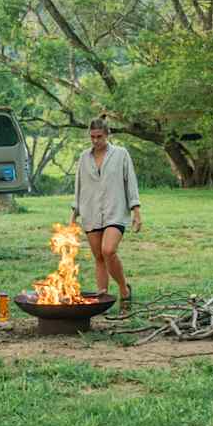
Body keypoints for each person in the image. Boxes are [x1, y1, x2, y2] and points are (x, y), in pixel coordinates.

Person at [70, 117, 142, 304]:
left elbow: (130, 182)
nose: (95, 140)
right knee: (99, 257)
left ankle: (124, 289)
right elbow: (79, 186)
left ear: (107, 135)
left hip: (115, 211)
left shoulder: (121, 154)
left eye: (99, 136)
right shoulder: (84, 157)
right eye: (92, 137)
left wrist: (136, 211)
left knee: (108, 250)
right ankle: (102, 299)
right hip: (90, 212)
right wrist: (74, 214)